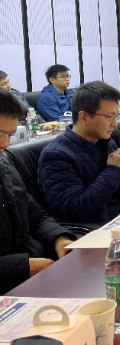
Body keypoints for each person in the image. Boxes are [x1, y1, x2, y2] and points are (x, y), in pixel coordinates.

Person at [0, 89, 74, 294]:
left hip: (34, 273)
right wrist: (24, 266)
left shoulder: (4, 167)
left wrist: (59, 239)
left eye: (9, 135)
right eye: (0, 134)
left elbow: (35, 215)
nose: (5, 144)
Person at [38, 81, 120, 226]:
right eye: (108, 117)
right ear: (84, 117)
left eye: (115, 117)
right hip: (96, 228)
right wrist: (115, 170)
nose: (114, 124)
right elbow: (75, 209)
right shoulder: (56, 155)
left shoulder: (105, 142)